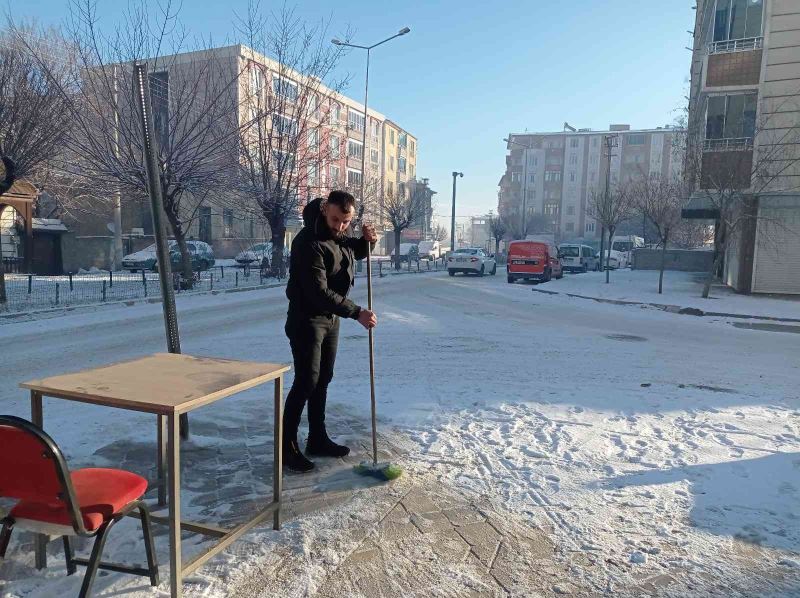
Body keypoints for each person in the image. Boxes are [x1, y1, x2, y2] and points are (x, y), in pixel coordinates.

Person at [283, 190, 378, 472]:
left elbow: (352, 252)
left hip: (330, 319)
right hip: (306, 319)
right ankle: (287, 448)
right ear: (325, 209)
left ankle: (317, 438)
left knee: (323, 378)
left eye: (345, 222)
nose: (339, 226)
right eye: (336, 219)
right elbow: (318, 292)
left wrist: (367, 241)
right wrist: (357, 312)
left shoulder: (336, 236)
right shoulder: (307, 241)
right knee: (306, 381)